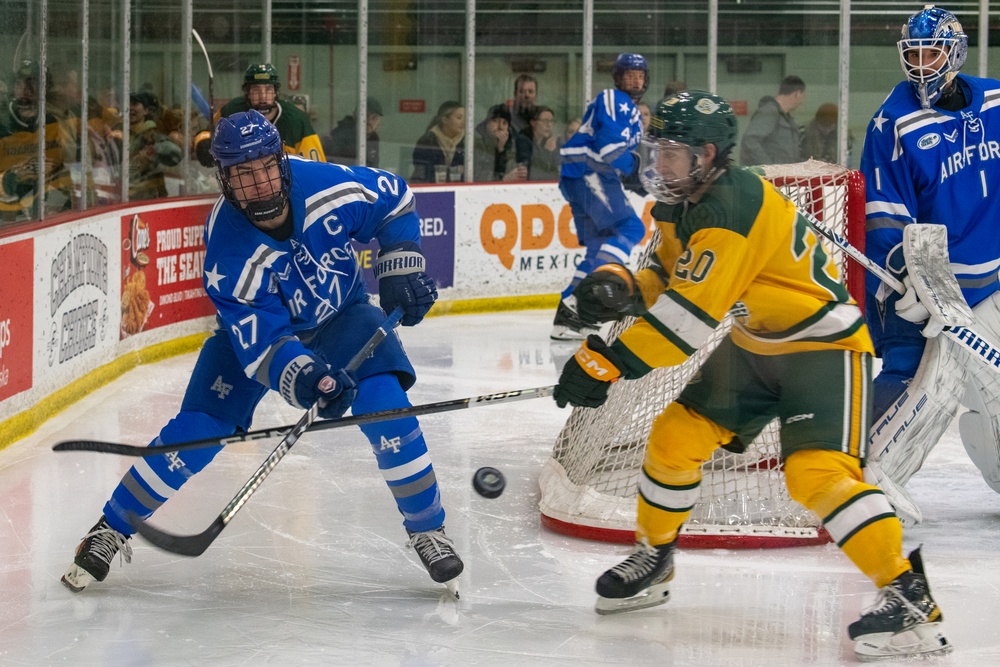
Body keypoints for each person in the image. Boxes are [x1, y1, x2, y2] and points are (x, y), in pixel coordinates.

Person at [553, 90, 950, 660]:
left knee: (816, 475)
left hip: (824, 345)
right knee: (675, 437)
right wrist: (621, 285)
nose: (658, 164)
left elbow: (686, 324)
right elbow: (668, 278)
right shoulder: (679, 203)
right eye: (655, 150)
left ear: (706, 154)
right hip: (755, 342)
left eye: (670, 152)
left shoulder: (730, 207)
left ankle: (908, 596)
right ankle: (655, 557)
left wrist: (603, 363)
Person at [61, 110, 464, 597]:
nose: (258, 182)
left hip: (343, 315)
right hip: (249, 341)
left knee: (385, 404)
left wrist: (401, 265)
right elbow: (266, 345)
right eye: (243, 174)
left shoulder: (326, 186)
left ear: (282, 160)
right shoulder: (228, 249)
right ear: (225, 179)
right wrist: (310, 379)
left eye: (266, 166)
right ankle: (111, 527)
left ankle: (427, 529)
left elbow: (395, 198)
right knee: (198, 431)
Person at [860, 5, 1000, 524]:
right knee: (917, 380)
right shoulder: (892, 123)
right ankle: (856, 480)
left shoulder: (996, 100)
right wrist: (908, 285)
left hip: (991, 283)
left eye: (931, 52)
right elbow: (884, 215)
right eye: (912, 54)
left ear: (956, 52)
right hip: (927, 288)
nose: (920, 65)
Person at [551, 52, 648, 340]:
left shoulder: (631, 112)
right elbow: (609, 150)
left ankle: (570, 317)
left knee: (599, 247)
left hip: (587, 174)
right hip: (588, 170)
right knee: (631, 227)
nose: (635, 79)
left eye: (640, 74)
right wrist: (633, 170)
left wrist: (635, 177)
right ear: (618, 78)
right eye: (629, 74)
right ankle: (578, 299)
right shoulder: (613, 98)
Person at [194, 63, 325, 166]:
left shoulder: (297, 120)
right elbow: (208, 132)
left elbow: (317, 166)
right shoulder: (231, 112)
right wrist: (204, 142)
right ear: (247, 92)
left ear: (275, 92)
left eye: (268, 90)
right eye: (256, 90)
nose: (263, 97)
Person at [0, 59, 76, 221]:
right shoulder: (2, 125)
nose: (25, 91)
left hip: (48, 215)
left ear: (46, 88)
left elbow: (74, 171)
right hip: (7, 221)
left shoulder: (58, 123)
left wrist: (64, 201)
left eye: (32, 83)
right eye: (19, 84)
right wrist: (11, 178)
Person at [126, 91, 182, 201]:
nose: (130, 107)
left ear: (146, 111)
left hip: (148, 199)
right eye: (128, 104)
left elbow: (175, 153)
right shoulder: (121, 132)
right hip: (126, 197)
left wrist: (150, 152)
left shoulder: (152, 134)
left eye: (135, 104)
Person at [739, 75, 806, 166]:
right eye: (802, 96)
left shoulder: (784, 117)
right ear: (797, 94)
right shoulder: (769, 112)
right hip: (770, 177)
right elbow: (750, 140)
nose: (801, 102)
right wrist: (769, 166)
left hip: (782, 175)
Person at [411, 101, 466, 183]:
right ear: (445, 120)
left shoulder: (467, 141)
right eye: (459, 118)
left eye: (465, 118)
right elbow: (423, 173)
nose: (464, 122)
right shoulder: (427, 141)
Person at [323, 96, 383, 167]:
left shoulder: (374, 137)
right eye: (366, 116)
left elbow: (373, 165)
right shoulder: (342, 135)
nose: (369, 121)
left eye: (374, 118)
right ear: (355, 115)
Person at [473, 103, 526, 182]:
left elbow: (510, 170)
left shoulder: (511, 142)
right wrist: (502, 179)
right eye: (496, 121)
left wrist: (501, 150)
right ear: (487, 123)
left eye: (504, 123)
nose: (500, 127)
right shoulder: (476, 141)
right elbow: (476, 176)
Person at [515, 105, 560, 181]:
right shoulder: (523, 140)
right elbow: (530, 171)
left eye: (551, 121)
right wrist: (547, 152)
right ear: (533, 123)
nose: (549, 125)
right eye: (545, 121)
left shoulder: (548, 141)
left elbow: (557, 171)